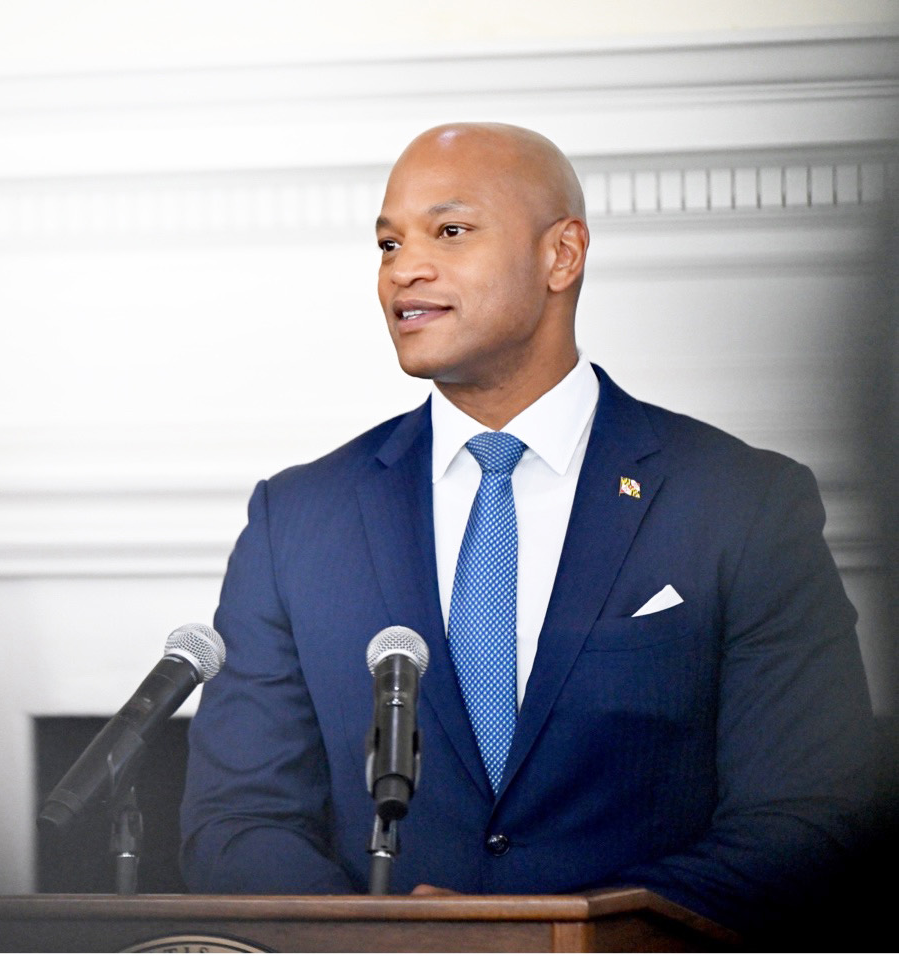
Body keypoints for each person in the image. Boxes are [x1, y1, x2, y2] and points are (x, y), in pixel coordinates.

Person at [178, 122, 874, 935]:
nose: (405, 268)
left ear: (562, 255)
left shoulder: (741, 501)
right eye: (388, 243)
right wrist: (385, 944)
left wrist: (558, 938)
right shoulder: (296, 519)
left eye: (449, 231)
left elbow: (808, 816)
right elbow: (236, 821)